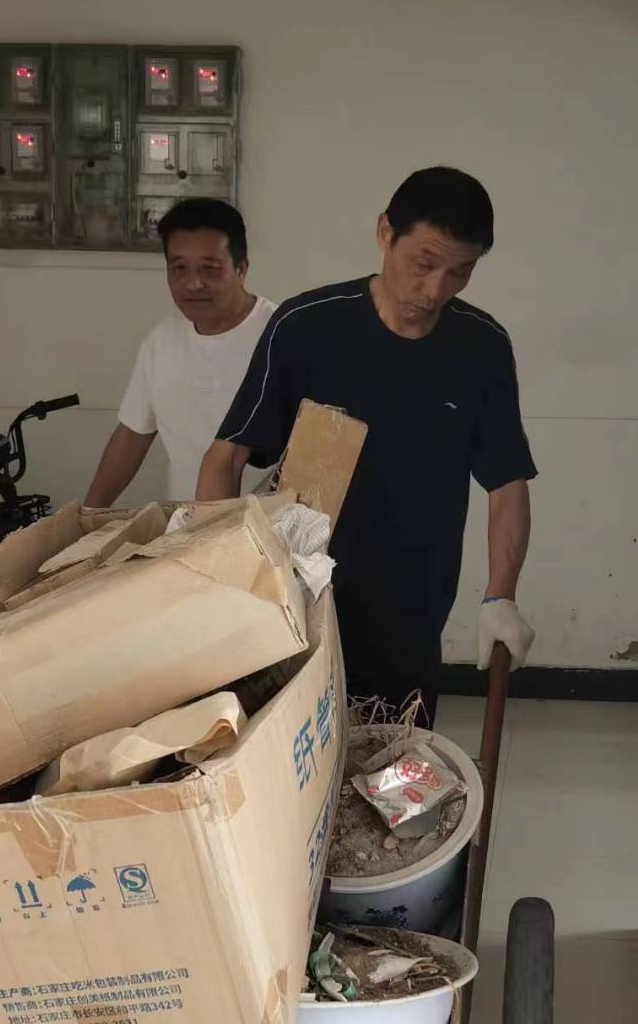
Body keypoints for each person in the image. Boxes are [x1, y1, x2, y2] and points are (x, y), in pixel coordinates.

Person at [196, 167, 536, 726]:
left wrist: (501, 595)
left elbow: (507, 481)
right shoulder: (308, 327)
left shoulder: (482, 347)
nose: (435, 290)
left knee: (394, 764)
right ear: (384, 233)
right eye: (424, 264)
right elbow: (225, 457)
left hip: (412, 617)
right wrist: (221, 575)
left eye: (460, 272)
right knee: (293, 761)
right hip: (298, 606)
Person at [85, 198, 276, 507]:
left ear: (241, 268)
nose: (193, 284)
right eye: (179, 269)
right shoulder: (161, 342)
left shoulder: (282, 336)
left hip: (268, 529)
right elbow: (132, 435)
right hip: (185, 528)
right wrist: (88, 513)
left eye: (210, 269)